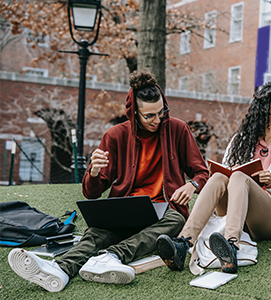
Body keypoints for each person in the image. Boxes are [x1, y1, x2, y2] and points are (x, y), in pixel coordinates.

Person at [8, 70, 209, 292]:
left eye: (162, 112)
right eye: (149, 115)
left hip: (164, 207)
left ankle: (111, 256)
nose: (158, 119)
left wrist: (192, 185)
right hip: (126, 206)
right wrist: (93, 172)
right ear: (134, 113)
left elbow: (202, 173)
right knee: (97, 232)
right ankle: (59, 270)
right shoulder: (115, 136)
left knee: (177, 221)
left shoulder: (177, 129)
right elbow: (91, 193)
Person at [156, 81, 271, 274]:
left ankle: (231, 246)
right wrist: (231, 171)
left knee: (239, 177)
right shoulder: (241, 141)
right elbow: (225, 177)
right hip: (233, 213)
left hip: (269, 219)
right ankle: (183, 243)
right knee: (221, 176)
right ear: (266, 106)